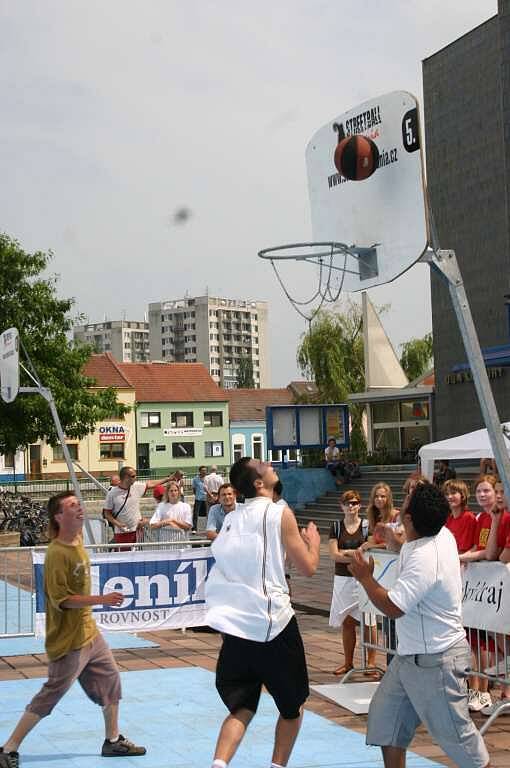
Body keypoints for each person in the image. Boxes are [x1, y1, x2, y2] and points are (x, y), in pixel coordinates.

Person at [347, 482, 490, 768]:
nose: (403, 500)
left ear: (409, 519)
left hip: (435, 661)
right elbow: (412, 549)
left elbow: (393, 607)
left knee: (462, 744)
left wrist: (365, 577)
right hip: (410, 658)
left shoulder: (425, 558)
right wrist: (393, 540)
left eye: (406, 499)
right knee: (387, 727)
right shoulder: (441, 535)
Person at [0, 491, 146, 768]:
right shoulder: (56, 554)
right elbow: (62, 600)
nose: (79, 508)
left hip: (89, 632)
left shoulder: (78, 539)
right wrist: (102, 600)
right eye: (72, 506)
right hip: (68, 641)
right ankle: (8, 748)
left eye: (79, 504)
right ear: (58, 516)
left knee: (112, 682)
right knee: (51, 695)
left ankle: (113, 741)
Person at [205, 457, 320, 768]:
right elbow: (308, 567)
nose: (269, 463)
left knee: (241, 708)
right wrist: (315, 543)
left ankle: (219, 764)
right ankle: (277, 765)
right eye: (262, 464)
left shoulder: (232, 519)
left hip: (237, 629)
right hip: (273, 626)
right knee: (292, 709)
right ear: (258, 483)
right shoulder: (279, 512)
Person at [459, 475, 510, 713]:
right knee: (486, 636)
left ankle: (500, 691)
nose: (487, 496)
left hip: (500, 584)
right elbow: (485, 550)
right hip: (489, 586)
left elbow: (495, 555)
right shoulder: (485, 519)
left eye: (491, 491)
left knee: (501, 638)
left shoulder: (503, 517)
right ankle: (493, 691)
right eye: (480, 491)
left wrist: (464, 557)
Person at [328, 489, 378, 678]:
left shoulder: (367, 526)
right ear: (341, 506)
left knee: (369, 620)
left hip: (363, 579)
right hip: (343, 580)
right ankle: (348, 662)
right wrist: (355, 554)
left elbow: (369, 553)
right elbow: (334, 555)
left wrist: (345, 553)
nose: (351, 506)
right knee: (347, 621)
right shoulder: (336, 526)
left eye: (355, 503)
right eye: (348, 503)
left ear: (360, 505)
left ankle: (371, 662)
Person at [102, 466, 174, 547]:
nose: (135, 478)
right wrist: (117, 524)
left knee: (138, 556)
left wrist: (168, 479)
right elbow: (107, 514)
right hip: (122, 533)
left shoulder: (136, 486)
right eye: (133, 476)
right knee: (124, 557)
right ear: (126, 477)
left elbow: (150, 484)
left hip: (137, 531)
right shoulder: (112, 493)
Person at [443, 478, 477, 553]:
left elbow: (463, 550)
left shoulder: (468, 517)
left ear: (462, 495)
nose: (449, 497)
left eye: (453, 493)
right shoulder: (449, 519)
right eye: (447, 494)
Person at [362, 482, 400, 550]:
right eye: (376, 496)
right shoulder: (375, 518)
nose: (379, 499)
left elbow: (398, 543)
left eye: (383, 496)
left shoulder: (397, 516)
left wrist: (372, 546)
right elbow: (371, 542)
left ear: (388, 498)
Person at [192, 466, 208, 532]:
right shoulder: (195, 479)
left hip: (206, 498)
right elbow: (194, 489)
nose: (204, 471)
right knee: (196, 513)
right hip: (198, 498)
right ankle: (194, 528)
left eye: (205, 470)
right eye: (203, 470)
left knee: (208, 513)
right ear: (200, 471)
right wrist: (197, 495)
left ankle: (209, 528)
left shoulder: (208, 478)